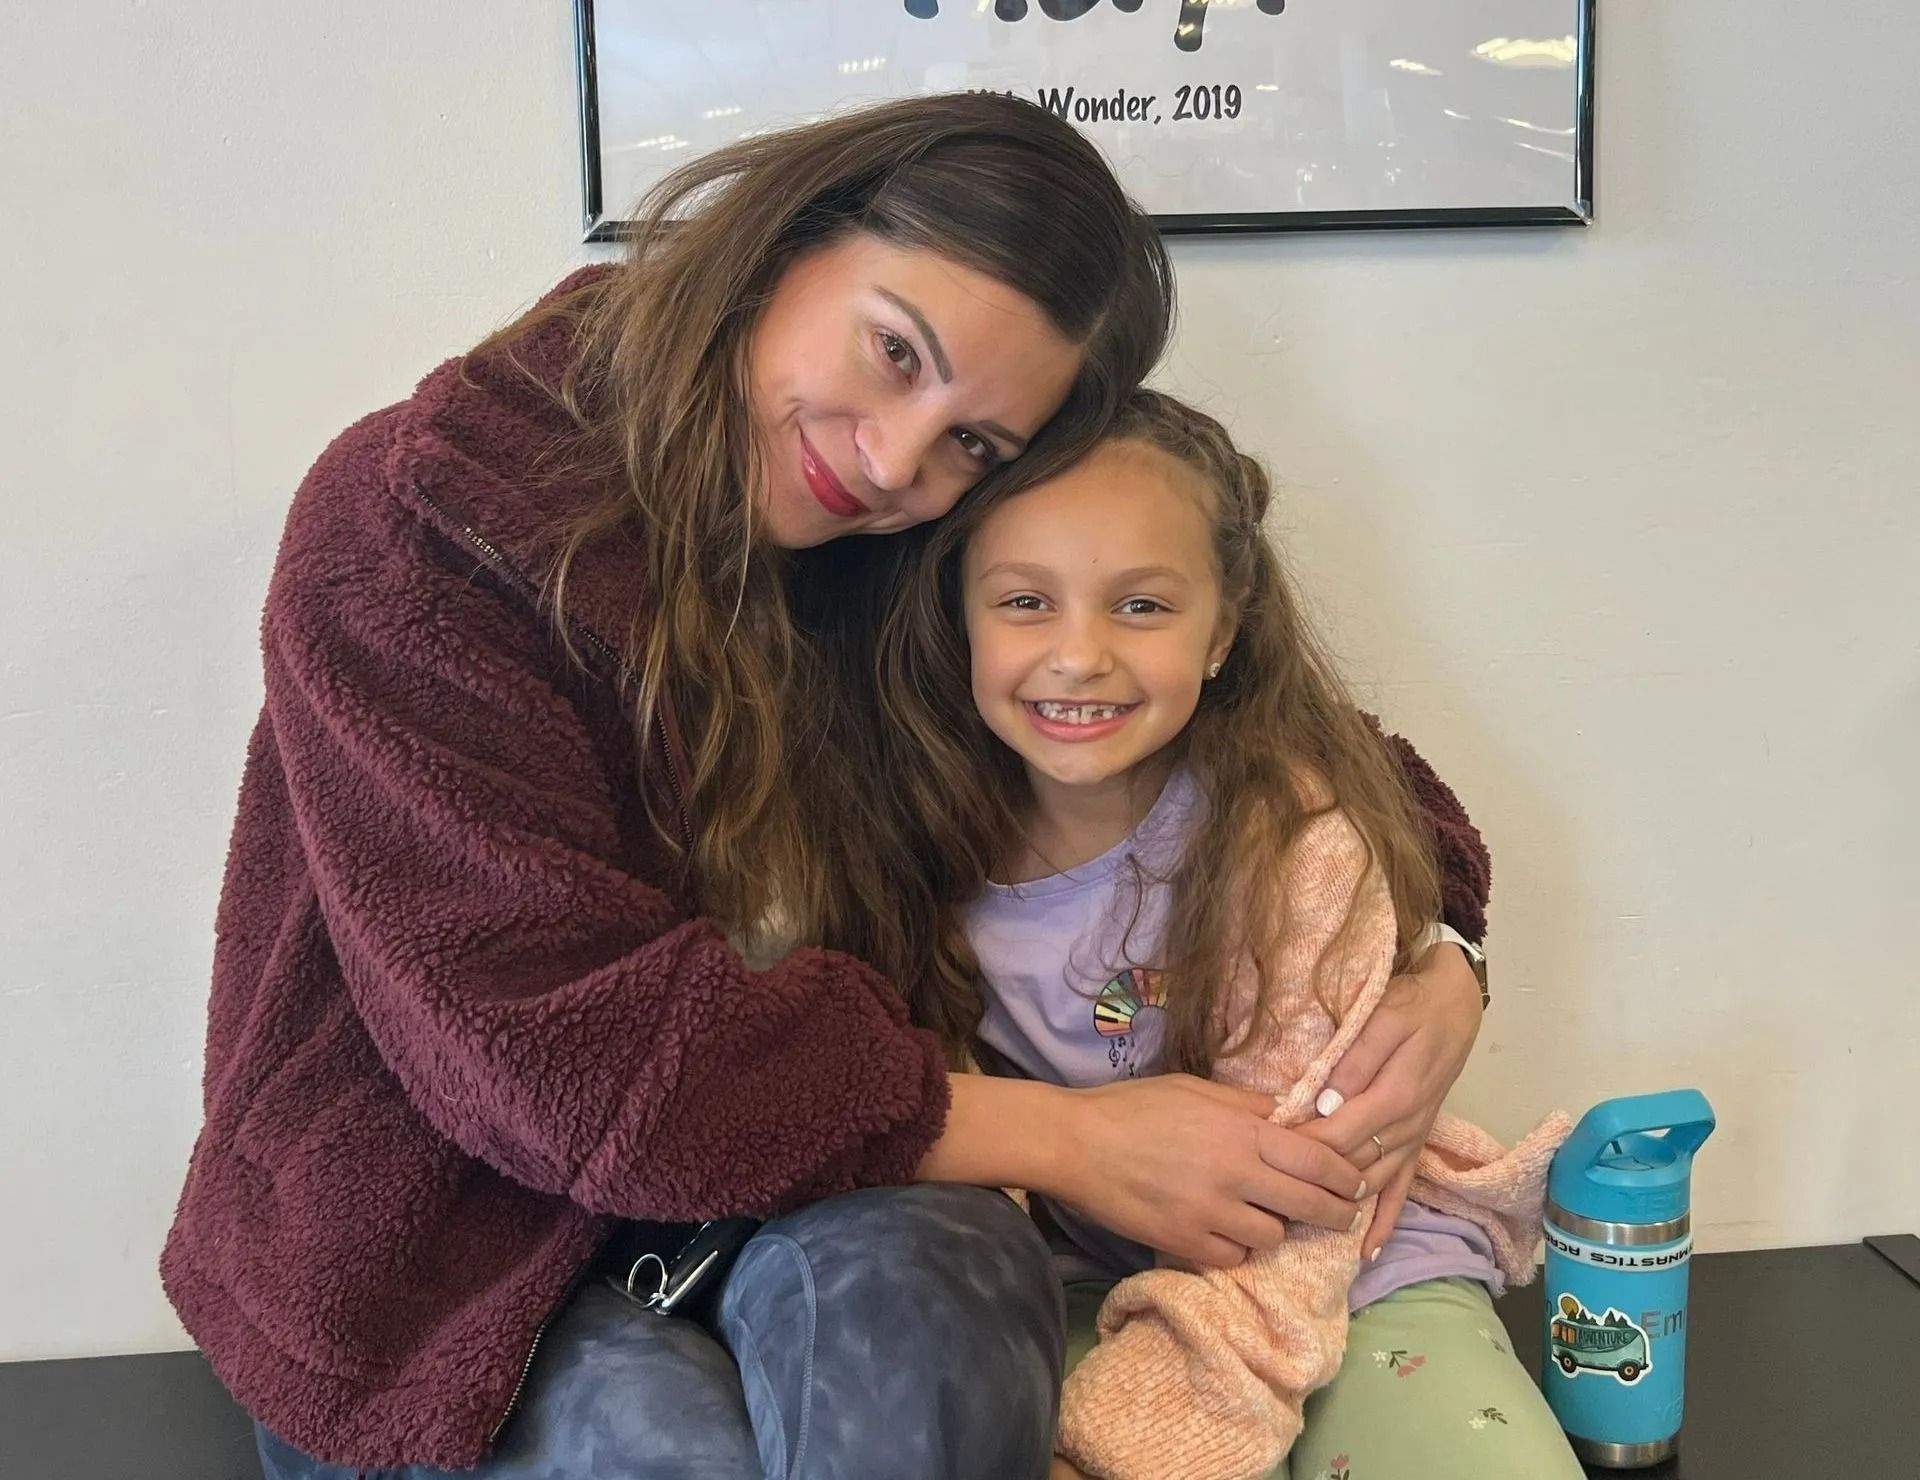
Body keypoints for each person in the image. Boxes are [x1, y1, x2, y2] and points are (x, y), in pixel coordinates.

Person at [161, 95, 1494, 1480]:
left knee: (951, 1305)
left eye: (975, 443)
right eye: (894, 351)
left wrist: (1443, 951)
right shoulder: (415, 523)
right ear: (787, 239)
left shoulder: (897, 539)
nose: (894, 458)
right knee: (684, 1455)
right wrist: (1078, 1140)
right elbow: (558, 1060)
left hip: (797, 1188)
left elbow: (1254, 732)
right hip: (448, 1254)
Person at [883, 390, 1581, 1479]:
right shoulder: (908, 850)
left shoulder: (1298, 847)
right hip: (1098, 1285)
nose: (1079, 655)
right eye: (1024, 600)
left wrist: (1122, 1453)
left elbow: (1301, 1220)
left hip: (1354, 1263)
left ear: (1223, 632)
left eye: (1141, 605)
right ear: (958, 617)